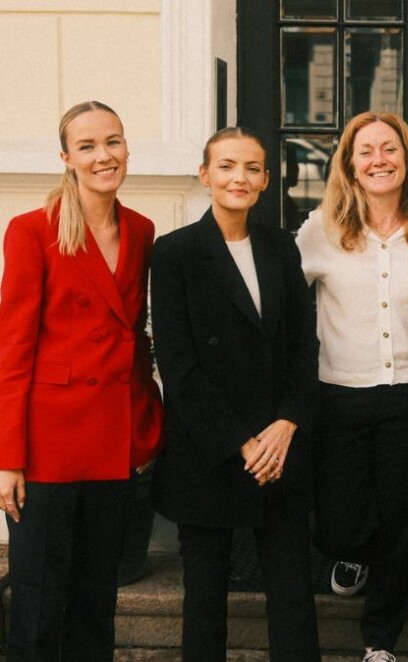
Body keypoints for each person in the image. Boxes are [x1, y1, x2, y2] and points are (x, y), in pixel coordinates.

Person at [0, 100, 164, 660]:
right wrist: (9, 458)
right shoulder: (31, 230)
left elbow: (137, 340)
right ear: (66, 157)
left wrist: (146, 428)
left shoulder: (141, 230)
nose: (104, 156)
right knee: (39, 600)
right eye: (88, 146)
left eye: (113, 142)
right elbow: (13, 349)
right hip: (47, 444)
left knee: (98, 597)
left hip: (114, 439)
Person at [150, 128, 321, 661]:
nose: (238, 178)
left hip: (280, 446)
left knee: (293, 595)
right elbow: (179, 368)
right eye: (226, 166)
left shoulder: (280, 247)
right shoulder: (174, 253)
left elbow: (302, 346)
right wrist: (243, 444)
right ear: (205, 175)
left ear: (266, 180)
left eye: (251, 168)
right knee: (204, 597)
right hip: (210, 451)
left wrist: (287, 424)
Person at [296, 111, 408, 662]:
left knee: (403, 519)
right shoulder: (320, 230)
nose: (379, 160)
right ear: (349, 164)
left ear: (407, 160)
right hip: (339, 391)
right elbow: (290, 301)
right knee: (338, 517)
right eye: (366, 151)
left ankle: (379, 640)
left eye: (390, 149)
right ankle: (352, 552)